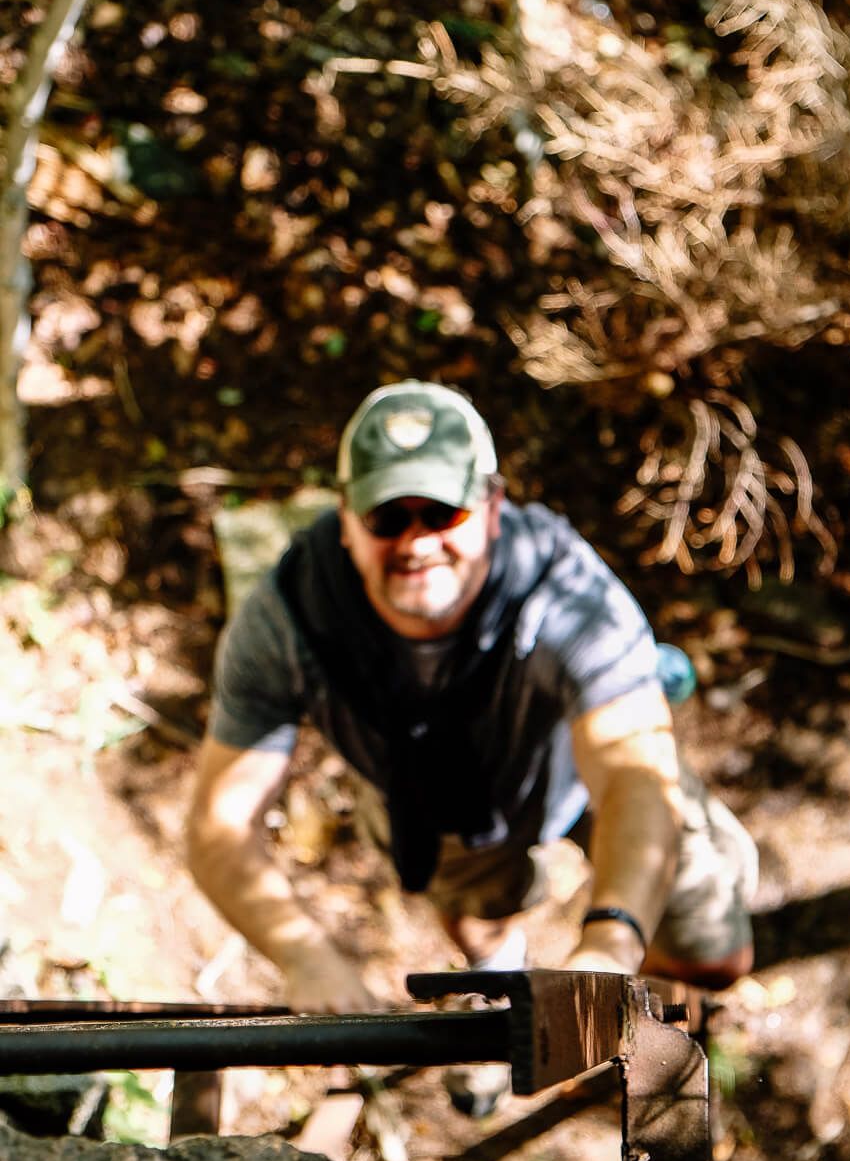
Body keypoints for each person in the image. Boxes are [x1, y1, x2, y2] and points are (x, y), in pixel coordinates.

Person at [187, 381, 756, 1024]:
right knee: (481, 922)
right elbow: (219, 825)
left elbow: (634, 777)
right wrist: (304, 955)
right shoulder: (288, 616)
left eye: (442, 513)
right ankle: (502, 987)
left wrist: (609, 943)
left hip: (583, 770)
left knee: (715, 955)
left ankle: (649, 998)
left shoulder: (567, 591)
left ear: (492, 507)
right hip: (435, 798)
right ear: (345, 518)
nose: (417, 541)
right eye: (387, 517)